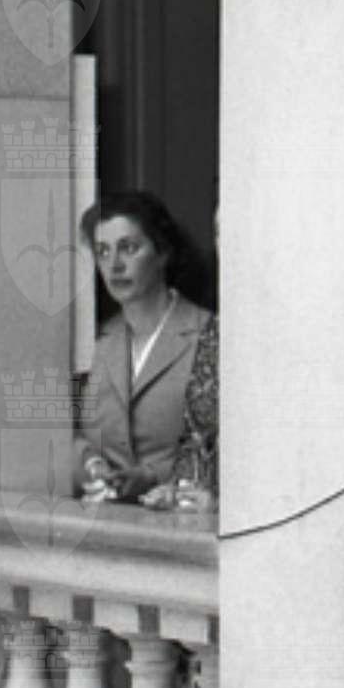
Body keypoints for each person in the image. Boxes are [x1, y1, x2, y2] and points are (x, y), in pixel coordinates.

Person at [73, 191, 216, 507]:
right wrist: (92, 465)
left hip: (183, 520)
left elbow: (221, 449)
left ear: (162, 253)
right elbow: (80, 437)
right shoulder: (101, 341)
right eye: (103, 251)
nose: (114, 265)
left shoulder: (208, 335)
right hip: (110, 520)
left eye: (128, 248)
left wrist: (151, 475)